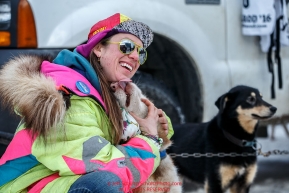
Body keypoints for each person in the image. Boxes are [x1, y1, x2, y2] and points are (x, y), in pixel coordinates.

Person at [0, 13, 174, 193]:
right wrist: (151, 139)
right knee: (104, 183)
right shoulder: (69, 96)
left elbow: (161, 125)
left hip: (56, 183)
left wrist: (155, 126)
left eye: (141, 52)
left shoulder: (107, 91)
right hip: (26, 187)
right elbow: (104, 165)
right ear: (98, 48)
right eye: (127, 46)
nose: (135, 57)